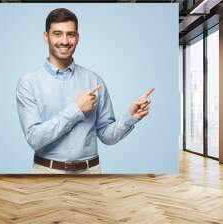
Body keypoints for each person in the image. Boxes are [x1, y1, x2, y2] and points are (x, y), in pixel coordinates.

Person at [16, 8, 154, 174]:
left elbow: (107, 136)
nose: (65, 41)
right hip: (46, 172)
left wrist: (130, 117)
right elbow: (34, 139)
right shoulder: (28, 83)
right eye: (57, 34)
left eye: (71, 34)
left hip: (90, 173)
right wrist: (76, 109)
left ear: (77, 38)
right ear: (46, 37)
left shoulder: (94, 80)